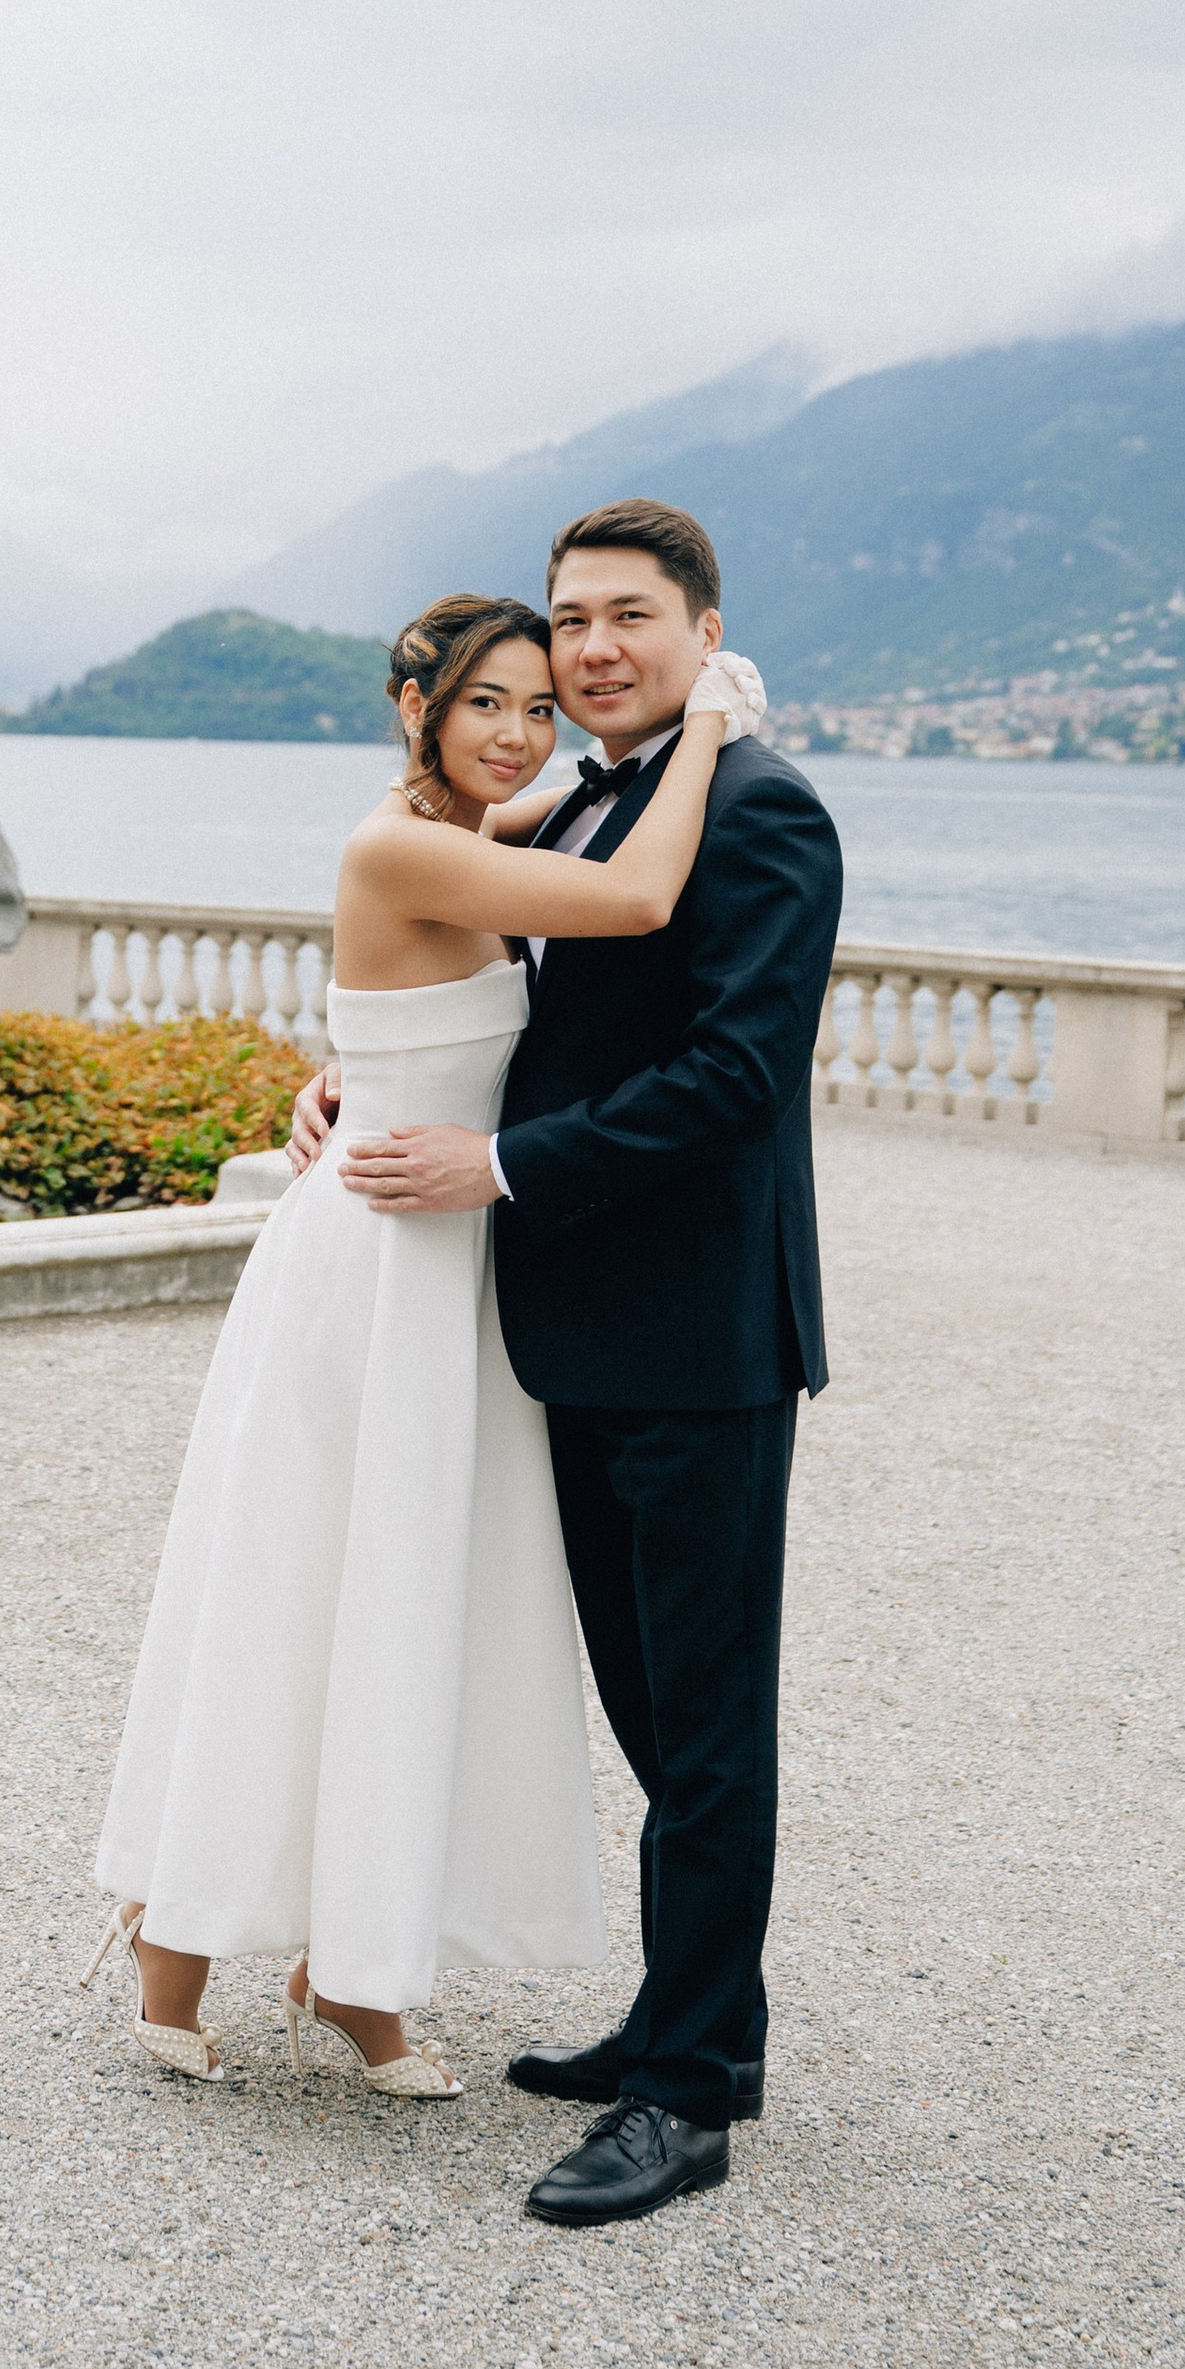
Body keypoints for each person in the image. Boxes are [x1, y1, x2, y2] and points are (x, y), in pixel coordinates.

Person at [84, 590, 759, 2100]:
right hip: (368, 1266)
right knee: (296, 1581)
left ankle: (359, 1973)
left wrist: (349, 1073)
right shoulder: (398, 841)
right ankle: (171, 1942)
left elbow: (515, 937)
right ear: (418, 713)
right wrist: (709, 712)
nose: (522, 733)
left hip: (461, 1267)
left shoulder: (485, 834)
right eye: (488, 707)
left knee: (414, 1605)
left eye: (539, 705)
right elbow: (642, 894)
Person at [291, 499, 843, 2227]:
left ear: (702, 627)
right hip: (576, 1331)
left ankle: (686, 2103)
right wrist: (360, 1093)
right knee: (647, 1709)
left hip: (696, 1338)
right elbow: (503, 1013)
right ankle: (693, 2026)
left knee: (707, 1727)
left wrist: (503, 1169)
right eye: (569, 621)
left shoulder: (762, 812)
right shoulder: (594, 795)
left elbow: (733, 1080)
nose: (591, 648)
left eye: (626, 616)